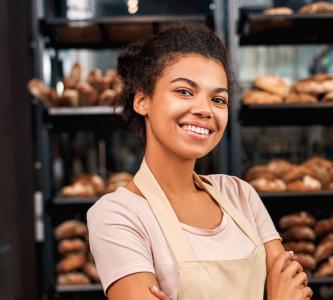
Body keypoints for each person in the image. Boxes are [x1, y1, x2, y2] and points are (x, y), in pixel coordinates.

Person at [87, 22, 313, 300]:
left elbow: (296, 290)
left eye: (218, 99)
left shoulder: (240, 195)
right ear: (142, 101)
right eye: (184, 91)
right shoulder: (118, 215)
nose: (205, 110)